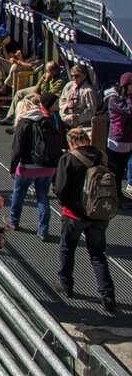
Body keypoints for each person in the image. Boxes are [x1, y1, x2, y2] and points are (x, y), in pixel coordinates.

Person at [54, 128, 118, 314]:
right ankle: (107, 295)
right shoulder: (102, 157)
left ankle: (65, 284)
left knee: (68, 248)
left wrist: (67, 204)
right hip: (99, 214)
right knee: (98, 255)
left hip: (74, 214)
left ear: (71, 142)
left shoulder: (69, 159)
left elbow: (60, 189)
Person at [8, 96, 59, 241]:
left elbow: (17, 149)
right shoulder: (47, 120)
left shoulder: (23, 123)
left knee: (19, 192)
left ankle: (14, 220)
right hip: (47, 167)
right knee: (43, 197)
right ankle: (43, 230)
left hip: (28, 166)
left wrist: (12, 168)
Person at [1, 61, 64, 126]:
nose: (46, 72)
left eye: (48, 71)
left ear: (52, 73)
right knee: (19, 93)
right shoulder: (45, 75)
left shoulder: (59, 82)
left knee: (27, 99)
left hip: (45, 95)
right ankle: (10, 117)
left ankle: (20, 121)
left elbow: (48, 94)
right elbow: (38, 86)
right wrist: (36, 93)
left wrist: (46, 81)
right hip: (39, 91)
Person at [107, 72, 132, 206]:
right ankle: (114, 197)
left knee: (121, 169)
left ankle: (118, 195)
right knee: (115, 170)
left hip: (128, 139)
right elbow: (129, 111)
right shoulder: (114, 99)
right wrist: (130, 97)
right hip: (117, 139)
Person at [60, 65, 100, 129]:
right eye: (72, 76)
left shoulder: (88, 90)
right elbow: (61, 101)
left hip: (81, 122)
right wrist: (67, 106)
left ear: (83, 76)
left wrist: (78, 117)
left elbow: (91, 110)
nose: (74, 78)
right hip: (66, 118)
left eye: (77, 76)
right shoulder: (68, 86)